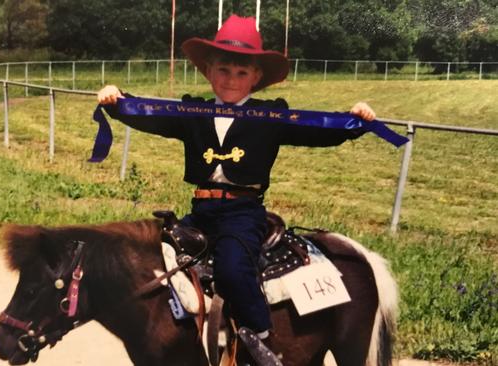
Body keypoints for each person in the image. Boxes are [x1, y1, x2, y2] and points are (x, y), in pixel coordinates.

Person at [97, 14, 375, 363]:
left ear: (256, 78)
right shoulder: (192, 111)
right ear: (209, 71)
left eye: (241, 73)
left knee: (232, 266)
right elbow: (152, 114)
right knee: (158, 261)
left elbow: (315, 129)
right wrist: (119, 102)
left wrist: (353, 122)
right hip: (200, 211)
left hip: (242, 214)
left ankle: (262, 339)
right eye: (223, 70)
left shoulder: (270, 117)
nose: (231, 80)